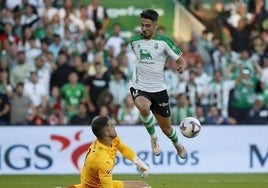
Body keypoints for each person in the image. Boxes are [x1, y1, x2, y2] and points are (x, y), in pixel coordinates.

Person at [129, 9, 187, 158]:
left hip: (158, 89)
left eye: (147, 25)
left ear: (155, 25)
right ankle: (153, 138)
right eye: (142, 25)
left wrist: (181, 66)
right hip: (139, 86)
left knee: (167, 129)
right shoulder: (134, 41)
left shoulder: (164, 42)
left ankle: (177, 144)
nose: (144, 29)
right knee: (143, 107)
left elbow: (181, 60)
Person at [66, 116, 150, 188]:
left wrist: (140, 164)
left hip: (92, 182)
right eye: (111, 125)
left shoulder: (111, 139)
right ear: (106, 133)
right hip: (95, 186)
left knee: (143, 185)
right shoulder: (103, 160)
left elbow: (122, 147)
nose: (114, 126)